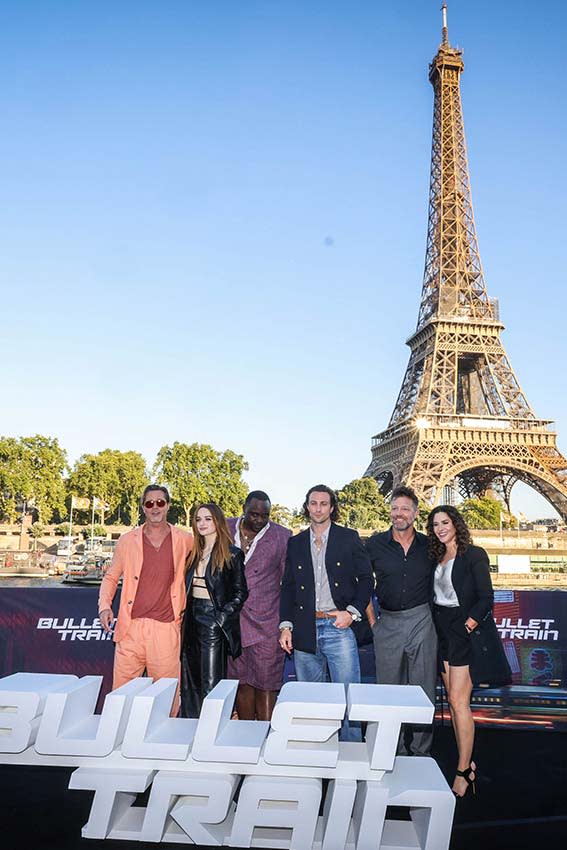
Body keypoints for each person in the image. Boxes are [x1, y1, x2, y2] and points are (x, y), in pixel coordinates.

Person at [279, 484, 373, 741]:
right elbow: (287, 587)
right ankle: (315, 759)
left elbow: (366, 579)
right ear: (307, 506)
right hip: (304, 628)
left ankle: (350, 764)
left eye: (323, 503)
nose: (318, 508)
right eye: (313, 503)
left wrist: (351, 613)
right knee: (311, 702)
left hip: (338, 626)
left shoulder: (349, 538)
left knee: (347, 701)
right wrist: (285, 625)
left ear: (332, 507)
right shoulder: (295, 543)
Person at [98, 484, 193, 714]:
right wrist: (104, 607)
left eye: (160, 502)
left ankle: (165, 744)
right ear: (143, 508)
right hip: (131, 629)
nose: (155, 508)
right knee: (121, 695)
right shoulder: (127, 540)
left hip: (166, 629)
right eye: (149, 503)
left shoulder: (185, 540)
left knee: (168, 694)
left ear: (168, 505)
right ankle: (117, 743)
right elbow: (111, 577)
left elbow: (210, 550)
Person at [365, 485, 437, 756]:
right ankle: (390, 750)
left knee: (423, 690)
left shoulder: (430, 545)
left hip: (422, 620)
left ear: (416, 513)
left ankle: (420, 752)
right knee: (388, 692)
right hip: (388, 621)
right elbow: (361, 583)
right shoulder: (374, 544)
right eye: (395, 508)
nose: (399, 513)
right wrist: (373, 623)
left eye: (405, 508)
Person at [427, 504, 493, 797]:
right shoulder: (437, 556)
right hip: (440, 630)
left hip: (460, 630)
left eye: (445, 522)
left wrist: (466, 627)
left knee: (457, 701)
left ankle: (463, 770)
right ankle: (467, 761)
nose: (440, 528)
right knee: (454, 706)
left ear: (456, 524)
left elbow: (486, 597)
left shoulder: (474, 555)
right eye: (435, 524)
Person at [226, 491, 291, 720]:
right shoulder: (224, 527)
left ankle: (266, 736)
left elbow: (288, 582)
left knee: (266, 684)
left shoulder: (282, 536)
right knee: (241, 682)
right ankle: (247, 736)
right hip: (233, 623)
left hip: (267, 622)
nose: (259, 520)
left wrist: (286, 624)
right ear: (243, 508)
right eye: (253, 514)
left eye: (265, 516)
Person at [180, 502, 248, 718]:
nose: (202, 523)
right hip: (191, 620)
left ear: (218, 521)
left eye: (208, 518)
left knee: (211, 682)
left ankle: (210, 735)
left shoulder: (232, 554)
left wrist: (219, 619)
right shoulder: (193, 553)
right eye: (198, 519)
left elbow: (240, 593)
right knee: (190, 681)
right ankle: (191, 730)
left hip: (213, 620)